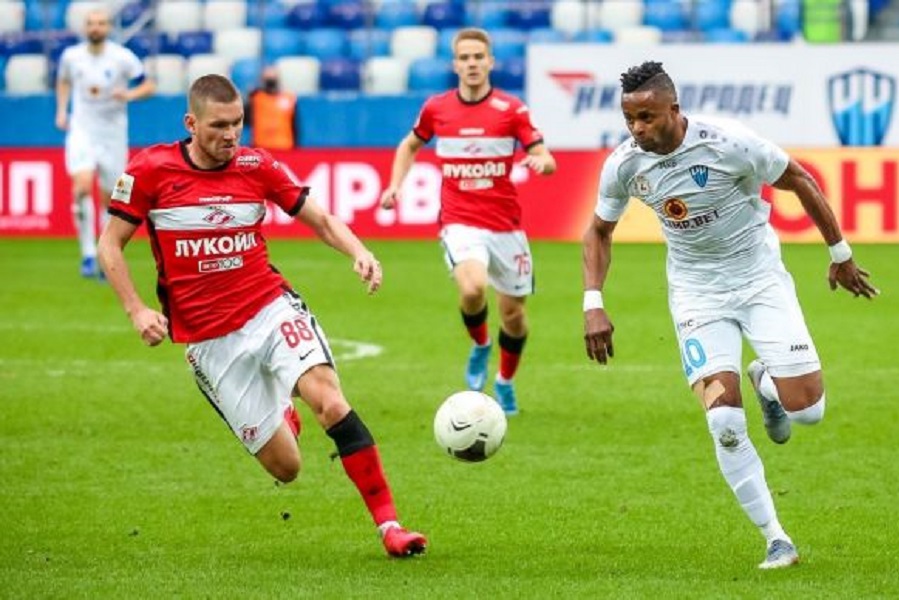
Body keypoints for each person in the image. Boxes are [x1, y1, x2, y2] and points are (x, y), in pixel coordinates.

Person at [96, 74, 426, 558]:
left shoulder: (257, 165)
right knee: (287, 468)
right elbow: (110, 244)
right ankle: (283, 412)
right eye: (218, 125)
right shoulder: (151, 170)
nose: (231, 135)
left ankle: (391, 527)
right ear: (191, 123)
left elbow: (321, 219)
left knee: (330, 402)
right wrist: (136, 308)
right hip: (209, 340)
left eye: (237, 123)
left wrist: (360, 251)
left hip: (268, 307)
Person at [582, 61, 878, 569]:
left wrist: (840, 254)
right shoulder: (625, 165)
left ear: (674, 109)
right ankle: (776, 539)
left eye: (647, 117)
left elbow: (800, 180)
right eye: (629, 119)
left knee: (808, 412)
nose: (637, 129)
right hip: (696, 295)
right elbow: (599, 232)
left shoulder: (729, 143)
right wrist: (594, 302)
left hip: (760, 281)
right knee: (723, 419)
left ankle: (768, 385)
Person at [379, 27, 556, 416]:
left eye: (478, 57)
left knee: (514, 315)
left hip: (506, 225)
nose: (472, 63)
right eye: (465, 58)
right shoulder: (437, 108)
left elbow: (546, 157)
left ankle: (505, 381)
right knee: (473, 287)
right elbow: (409, 145)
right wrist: (395, 185)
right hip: (460, 221)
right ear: (455, 64)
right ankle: (480, 344)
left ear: (490, 62)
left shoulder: (511, 110)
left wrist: (541, 162)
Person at [55, 7, 155, 279]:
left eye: (100, 23)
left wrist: (129, 95)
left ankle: (103, 253)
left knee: (109, 198)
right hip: (82, 130)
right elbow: (63, 81)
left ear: (109, 27)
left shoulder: (122, 57)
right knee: (82, 187)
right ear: (84, 27)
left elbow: (149, 86)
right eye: (91, 23)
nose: (95, 27)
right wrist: (62, 111)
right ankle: (88, 254)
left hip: (112, 134)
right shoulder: (71, 56)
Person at [245, 66, 298, 150]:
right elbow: (246, 119)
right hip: (261, 146)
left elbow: (295, 124)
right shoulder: (255, 98)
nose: (271, 80)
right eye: (268, 78)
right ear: (262, 80)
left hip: (284, 146)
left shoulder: (288, 98)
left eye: (273, 77)